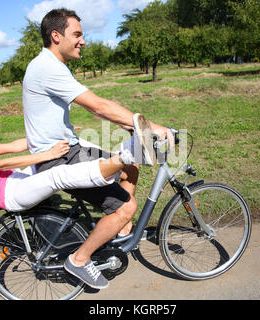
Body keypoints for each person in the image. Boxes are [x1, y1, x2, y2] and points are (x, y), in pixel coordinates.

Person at [22, 8, 173, 289]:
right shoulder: (47, 68)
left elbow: (98, 108)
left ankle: (119, 228)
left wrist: (128, 125)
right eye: (77, 34)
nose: (83, 41)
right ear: (56, 36)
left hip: (69, 150)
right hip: (60, 160)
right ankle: (79, 259)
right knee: (127, 207)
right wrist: (149, 127)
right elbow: (96, 104)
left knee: (131, 166)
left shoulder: (51, 65)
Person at [0, 98, 153, 215]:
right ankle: (126, 155)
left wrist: (53, 135)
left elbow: (13, 146)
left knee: (68, 149)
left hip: (18, 178)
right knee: (57, 174)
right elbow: (0, 163)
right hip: (10, 193)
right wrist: (45, 154)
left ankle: (120, 211)